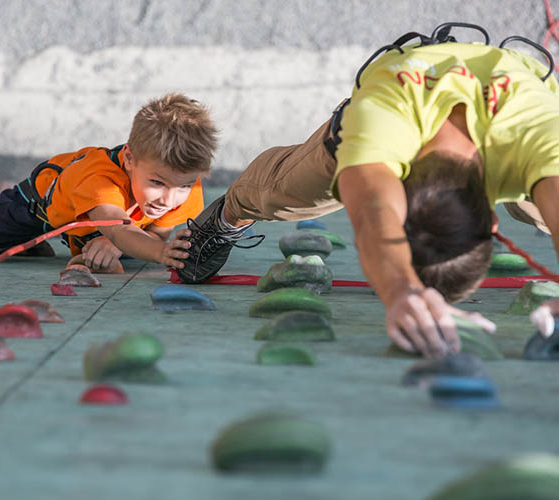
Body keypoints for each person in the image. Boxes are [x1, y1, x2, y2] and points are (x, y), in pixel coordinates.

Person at [178, 27, 559, 358]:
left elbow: (380, 213)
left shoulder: (538, 134)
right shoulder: (381, 125)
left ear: (491, 220)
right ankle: (226, 217)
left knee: (544, 204)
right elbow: (374, 211)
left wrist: (401, 290)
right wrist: (399, 290)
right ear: (492, 221)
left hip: (511, 112)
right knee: (280, 194)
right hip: (396, 95)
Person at [0, 93, 217, 273]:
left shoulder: (184, 183)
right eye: (157, 182)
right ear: (129, 157)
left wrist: (113, 243)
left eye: (182, 186)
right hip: (38, 207)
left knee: (119, 240)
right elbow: (123, 229)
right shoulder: (99, 180)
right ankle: (24, 240)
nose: (168, 199)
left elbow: (155, 233)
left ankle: (32, 247)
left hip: (99, 228)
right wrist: (156, 253)